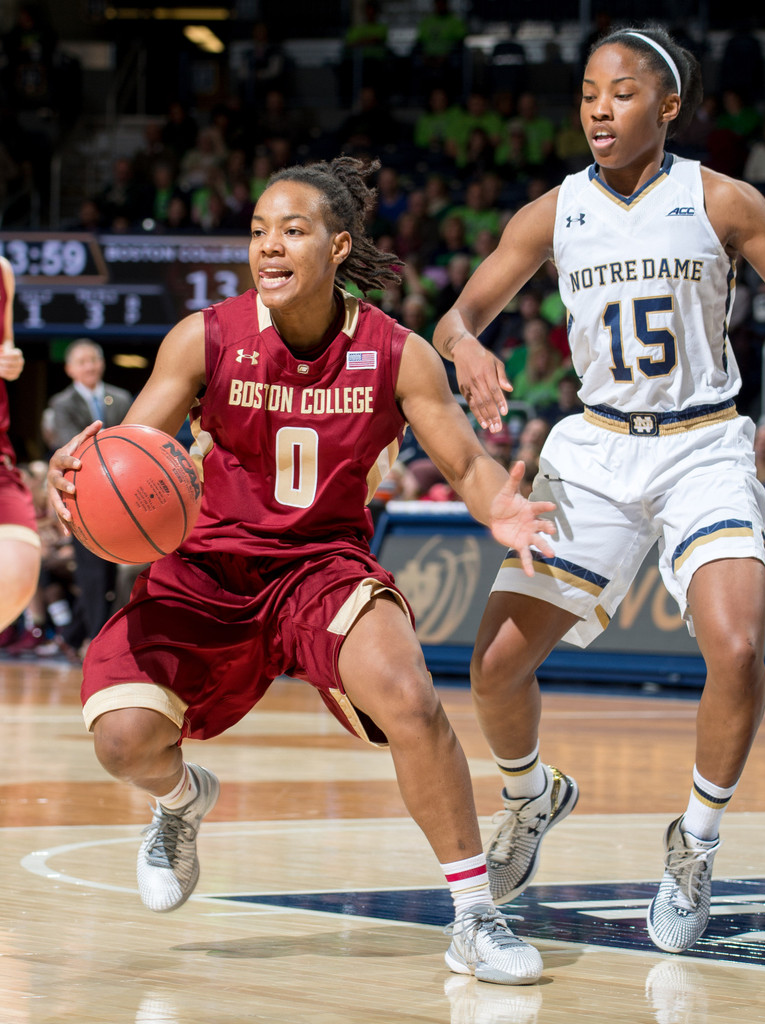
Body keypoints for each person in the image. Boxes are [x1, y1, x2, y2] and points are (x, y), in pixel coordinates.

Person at [47, 156, 558, 986]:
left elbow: (464, 462)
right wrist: (88, 468)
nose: (268, 247)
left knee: (411, 699)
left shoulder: (398, 353)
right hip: (207, 564)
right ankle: (180, 802)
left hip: (321, 566)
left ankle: (473, 917)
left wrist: (496, 507)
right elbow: (134, 452)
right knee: (123, 740)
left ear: (337, 244)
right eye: (256, 232)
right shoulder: (204, 336)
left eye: (291, 230)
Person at [432, 24, 765, 956]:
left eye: (621, 91)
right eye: (587, 90)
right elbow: (455, 316)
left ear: (666, 107)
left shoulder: (725, 201)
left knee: (739, 650)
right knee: (495, 666)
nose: (597, 106)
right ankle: (529, 796)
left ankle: (694, 846)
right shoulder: (553, 212)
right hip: (594, 450)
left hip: (703, 443)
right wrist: (467, 347)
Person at [47, 339, 133, 658]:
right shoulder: (62, 403)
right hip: (82, 494)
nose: (89, 366)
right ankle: (97, 642)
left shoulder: (121, 397)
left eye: (94, 359)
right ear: (70, 369)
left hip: (121, 495)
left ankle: (71, 637)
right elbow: (71, 447)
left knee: (112, 571)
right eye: (82, 361)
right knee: (92, 572)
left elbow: (131, 438)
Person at [0, 255, 40, 640]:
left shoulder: (2, 271)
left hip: (0, 454)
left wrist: (10, 360)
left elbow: (6, 350)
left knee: (18, 571)